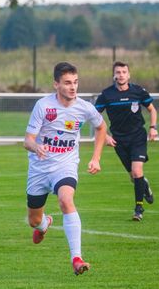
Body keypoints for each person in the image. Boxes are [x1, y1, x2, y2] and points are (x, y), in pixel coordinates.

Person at [24, 62, 107, 276]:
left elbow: (101, 127)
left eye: (76, 82)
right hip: (39, 169)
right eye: (68, 83)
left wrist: (96, 158)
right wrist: (36, 147)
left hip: (65, 165)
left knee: (66, 200)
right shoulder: (43, 106)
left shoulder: (85, 107)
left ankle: (76, 258)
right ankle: (44, 224)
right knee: (34, 220)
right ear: (56, 84)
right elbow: (28, 140)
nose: (73, 87)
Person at [95, 61, 158, 221]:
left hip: (137, 137)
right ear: (114, 75)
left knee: (137, 171)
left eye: (124, 72)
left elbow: (152, 110)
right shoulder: (106, 95)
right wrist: (106, 136)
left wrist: (153, 127)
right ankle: (144, 185)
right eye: (118, 72)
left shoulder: (138, 91)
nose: (121, 75)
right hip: (119, 140)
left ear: (128, 75)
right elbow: (94, 116)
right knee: (133, 177)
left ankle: (139, 208)